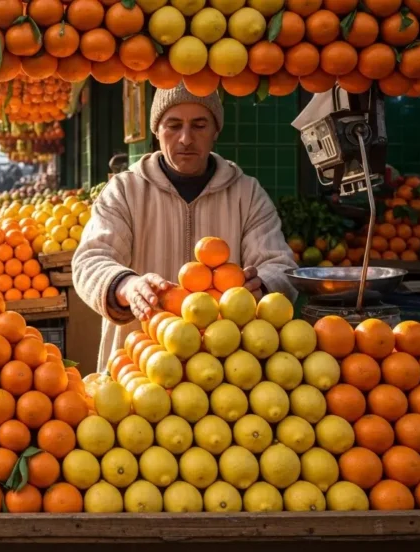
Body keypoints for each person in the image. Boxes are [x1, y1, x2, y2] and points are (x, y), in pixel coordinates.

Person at [72, 84, 298, 371]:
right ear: (157, 131)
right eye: (173, 125)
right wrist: (127, 286)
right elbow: (90, 260)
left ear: (216, 130)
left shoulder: (246, 193)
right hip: (138, 367)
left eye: (199, 125)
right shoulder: (124, 190)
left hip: (226, 372)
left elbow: (280, 264)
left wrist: (263, 284)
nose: (186, 138)